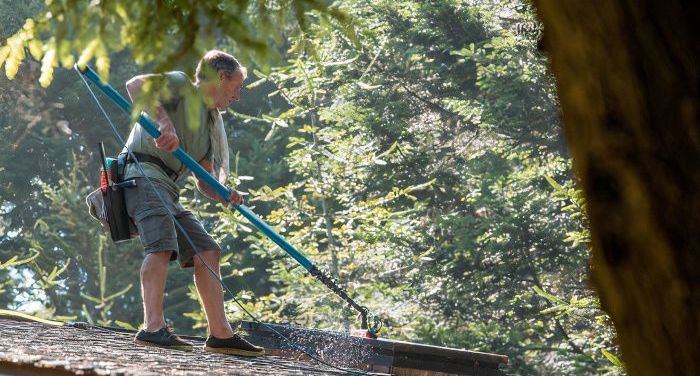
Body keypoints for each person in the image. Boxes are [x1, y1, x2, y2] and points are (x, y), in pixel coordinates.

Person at [121, 50, 264, 357]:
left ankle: (220, 334)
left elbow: (204, 182)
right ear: (220, 78)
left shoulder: (211, 125)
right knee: (161, 243)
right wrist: (165, 125)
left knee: (207, 250)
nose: (238, 97)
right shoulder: (180, 85)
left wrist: (225, 194)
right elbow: (134, 85)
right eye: (237, 87)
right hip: (141, 174)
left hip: (168, 188)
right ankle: (152, 328)